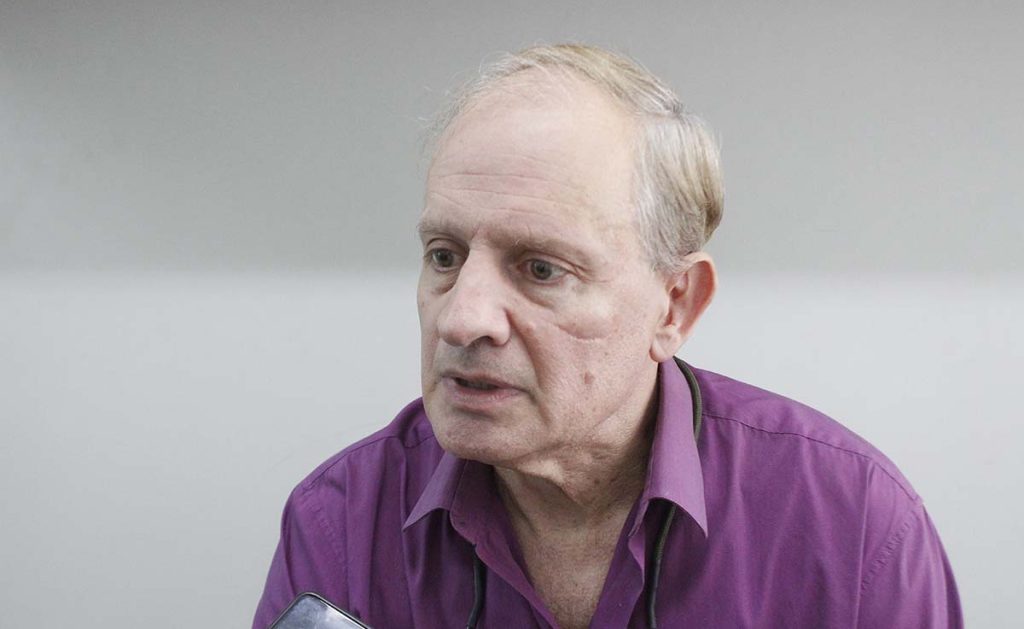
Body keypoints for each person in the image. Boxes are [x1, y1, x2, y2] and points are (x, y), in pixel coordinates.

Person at [253, 44, 962, 629]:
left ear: (675, 305)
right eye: (445, 255)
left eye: (540, 269)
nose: (463, 318)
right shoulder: (341, 520)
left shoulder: (853, 526)